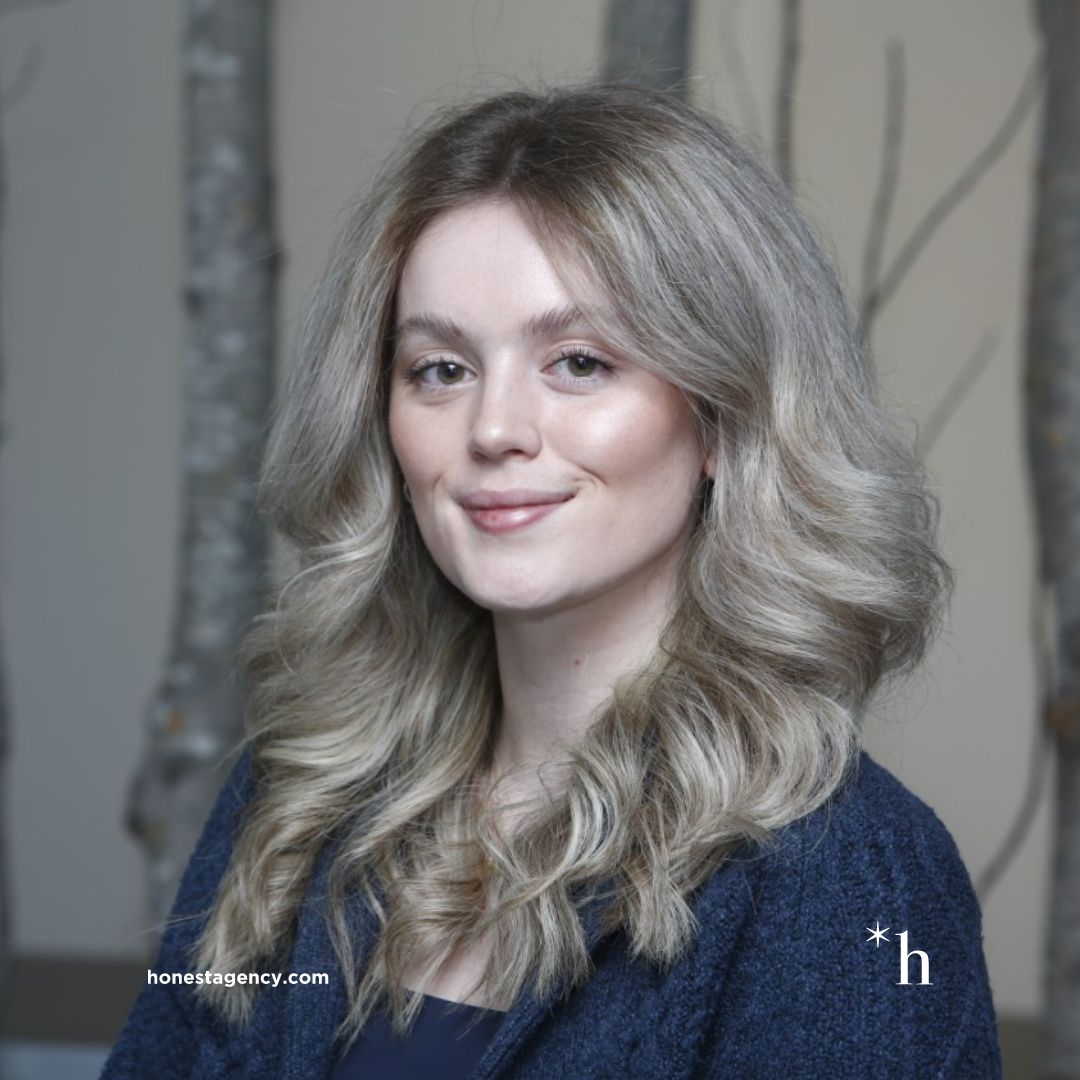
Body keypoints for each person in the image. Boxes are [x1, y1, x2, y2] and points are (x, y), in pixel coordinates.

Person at [102, 80, 1001, 1079]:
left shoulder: (856, 883)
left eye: (577, 362)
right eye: (441, 369)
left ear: (721, 417)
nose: (493, 429)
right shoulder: (294, 803)